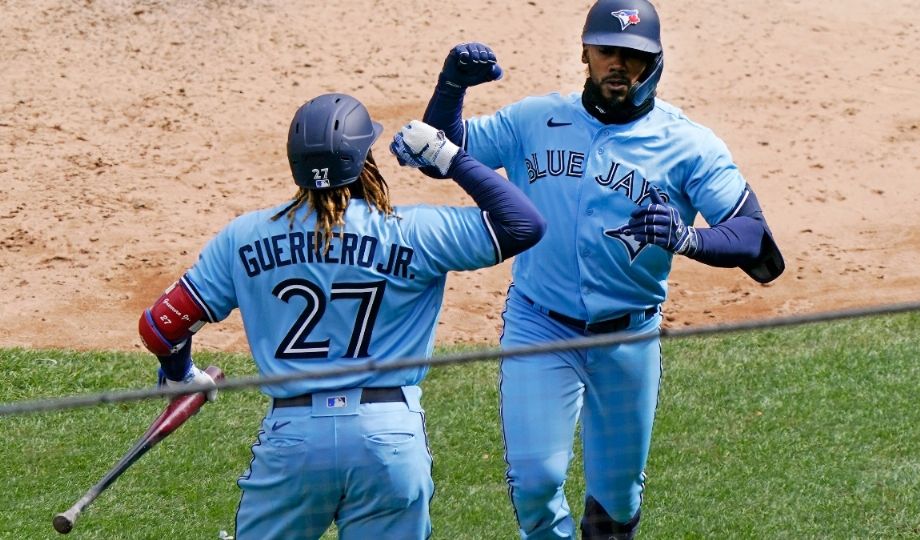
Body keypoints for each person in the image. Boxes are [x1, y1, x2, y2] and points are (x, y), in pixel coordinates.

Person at [416, 1, 785, 538]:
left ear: (655, 61)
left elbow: (755, 238)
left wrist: (689, 238)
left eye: (635, 56)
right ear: (585, 53)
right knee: (537, 482)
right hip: (539, 328)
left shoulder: (689, 144)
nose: (620, 65)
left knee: (616, 498)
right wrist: (450, 88)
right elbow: (437, 153)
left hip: (629, 336)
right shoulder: (534, 119)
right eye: (608, 51)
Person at [136, 93, 545, 539]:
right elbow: (523, 224)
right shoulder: (416, 231)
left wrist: (180, 375)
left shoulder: (244, 237)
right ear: (365, 159)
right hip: (388, 437)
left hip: (293, 442)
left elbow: (162, 327)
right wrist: (450, 157)